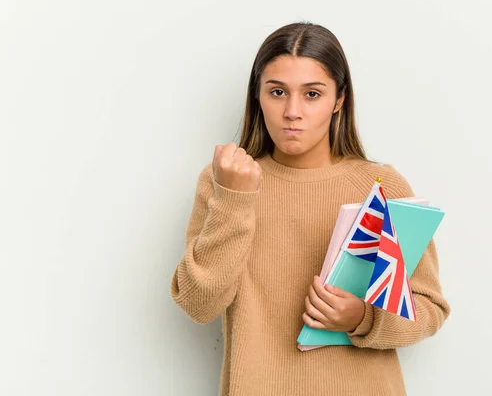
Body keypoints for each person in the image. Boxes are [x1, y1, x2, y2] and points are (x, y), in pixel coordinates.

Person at [170, 21, 450, 396]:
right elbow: (198, 304)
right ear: (258, 96)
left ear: (339, 100)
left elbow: (429, 309)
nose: (292, 111)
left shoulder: (382, 187)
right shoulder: (225, 181)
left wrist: (362, 318)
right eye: (277, 91)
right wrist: (235, 200)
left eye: (312, 94)